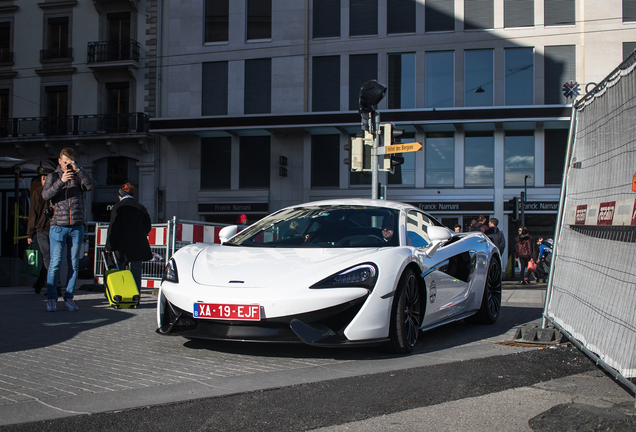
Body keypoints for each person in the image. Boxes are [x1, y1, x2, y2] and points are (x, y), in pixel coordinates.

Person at [42, 147, 95, 312]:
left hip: (76, 226)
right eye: (65, 162)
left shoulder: (78, 177)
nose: (67, 165)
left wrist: (78, 170)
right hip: (58, 226)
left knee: (74, 264)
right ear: (59, 161)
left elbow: (91, 185)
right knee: (55, 263)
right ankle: (51, 298)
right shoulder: (53, 176)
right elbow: (45, 195)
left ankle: (69, 298)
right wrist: (61, 181)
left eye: (70, 162)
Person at [105, 183, 153, 292]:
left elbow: (113, 227)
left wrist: (109, 246)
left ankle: (120, 294)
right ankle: (136, 296)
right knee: (136, 271)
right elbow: (148, 225)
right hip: (137, 244)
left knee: (118, 270)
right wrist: (140, 234)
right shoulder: (141, 207)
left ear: (120, 195)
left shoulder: (117, 207)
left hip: (120, 245)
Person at [27, 168, 53, 294]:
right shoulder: (38, 192)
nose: (43, 181)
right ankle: (54, 285)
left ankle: (41, 283)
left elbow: (33, 214)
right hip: (42, 229)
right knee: (48, 256)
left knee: (48, 257)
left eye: (46, 178)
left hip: (51, 228)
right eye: (42, 178)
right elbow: (33, 213)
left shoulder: (52, 191)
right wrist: (30, 233)